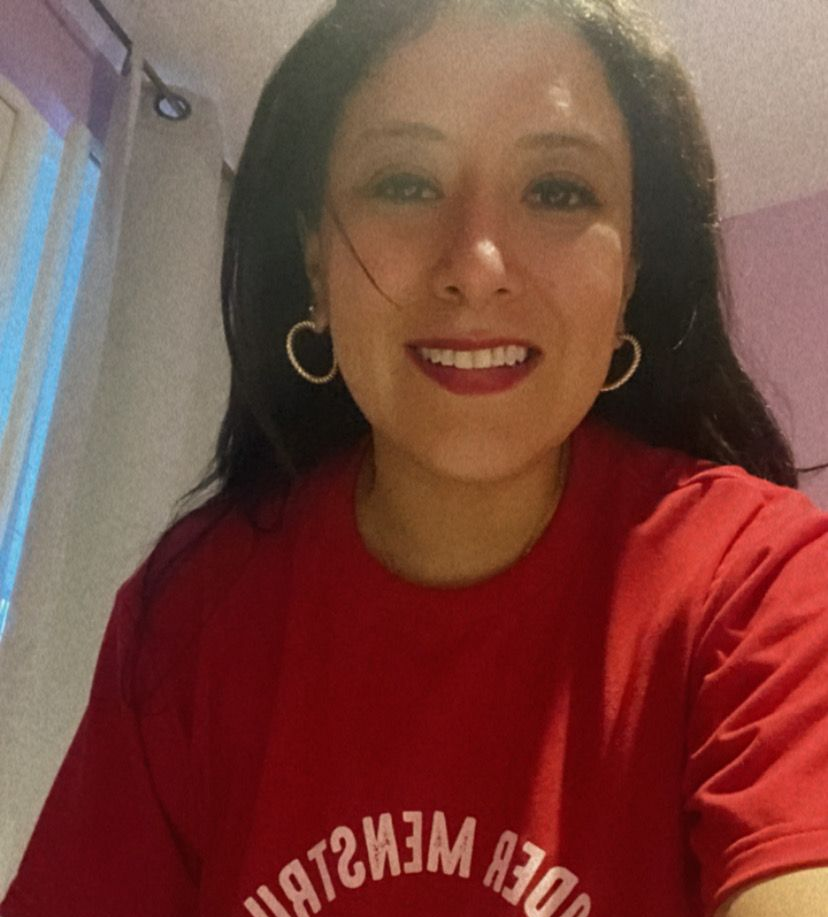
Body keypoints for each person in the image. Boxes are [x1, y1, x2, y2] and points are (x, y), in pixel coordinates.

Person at [2, 0, 828, 914]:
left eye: (558, 190)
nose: (476, 262)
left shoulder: (762, 587)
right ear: (315, 259)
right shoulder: (189, 617)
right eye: (403, 181)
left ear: (632, 270)